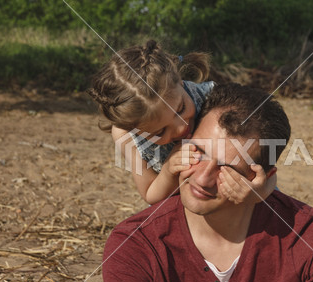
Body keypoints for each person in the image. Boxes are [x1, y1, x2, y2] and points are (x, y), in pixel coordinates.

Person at [102, 83, 313, 282]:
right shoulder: (134, 243)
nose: (203, 179)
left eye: (227, 168)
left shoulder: (307, 231)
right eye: (198, 153)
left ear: (262, 178)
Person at [87, 40, 275, 205]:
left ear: (180, 81)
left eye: (180, 109)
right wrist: (169, 170)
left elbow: (266, 165)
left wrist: (262, 192)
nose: (180, 128)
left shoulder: (214, 98)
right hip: (186, 206)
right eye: (160, 132)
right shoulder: (126, 135)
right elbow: (150, 194)